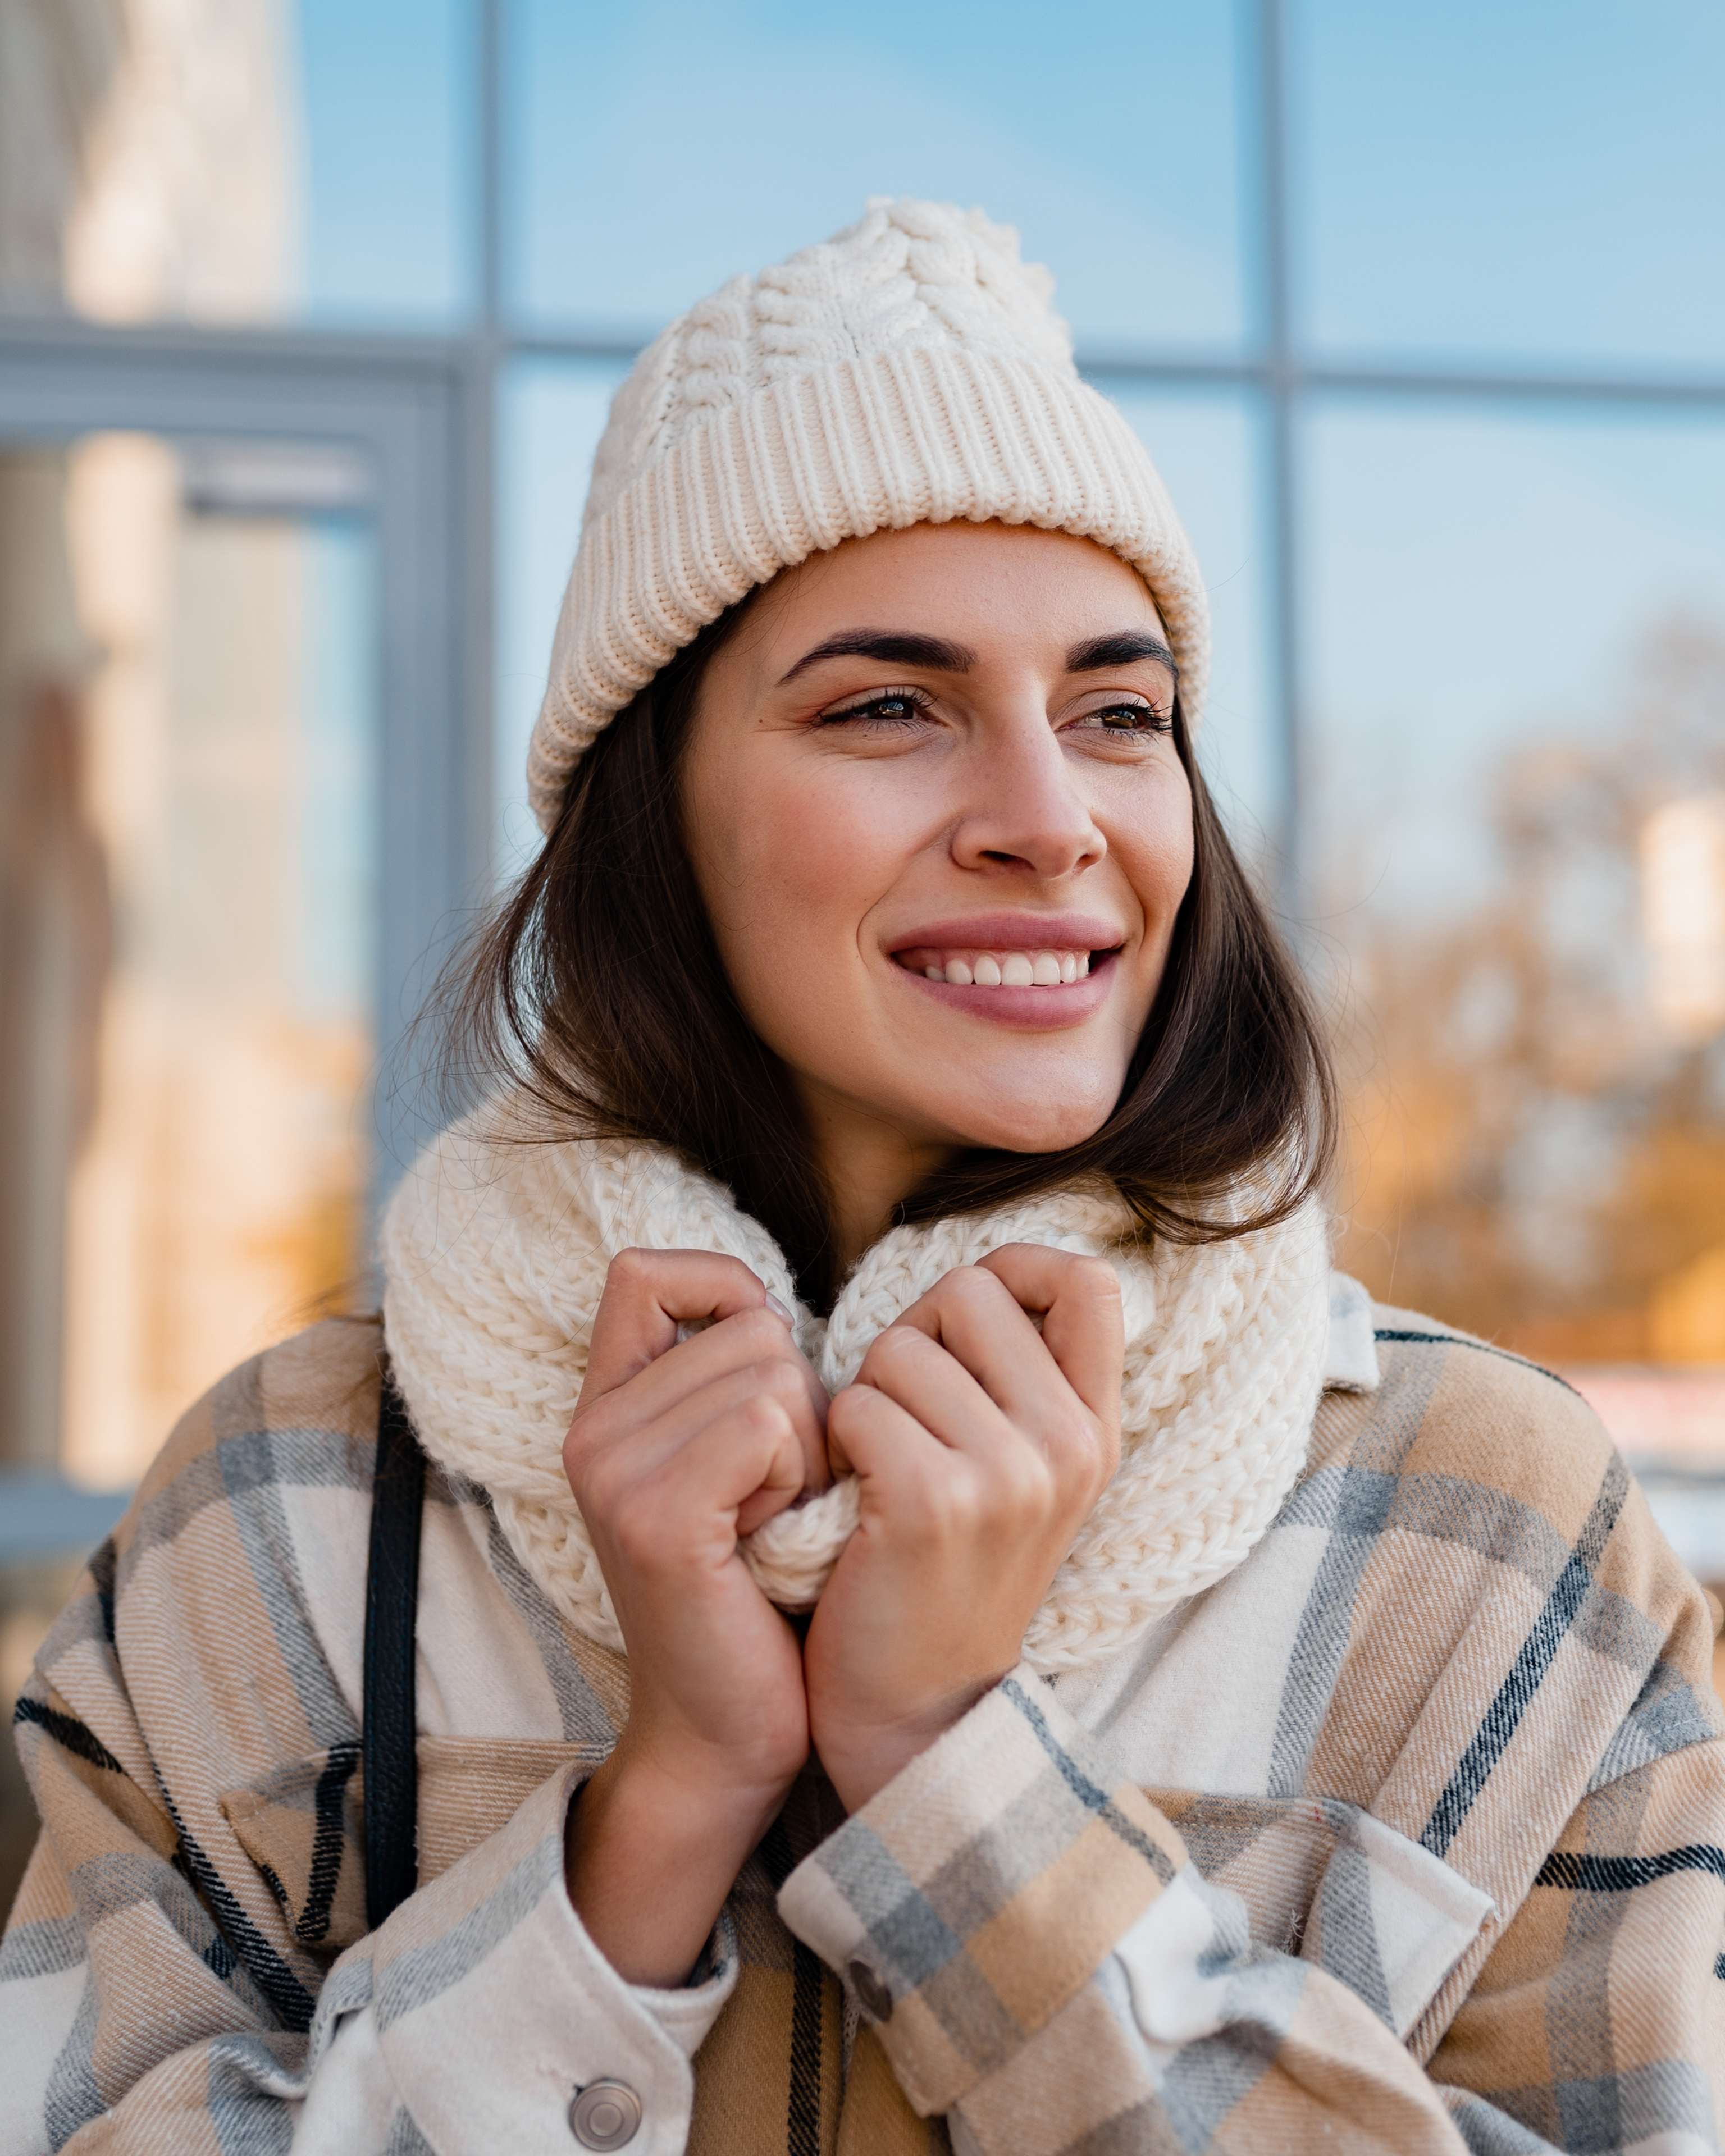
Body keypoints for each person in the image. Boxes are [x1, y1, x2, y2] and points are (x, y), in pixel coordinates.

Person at [3, 198, 1722, 2156]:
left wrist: (949, 1789)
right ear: (659, 814)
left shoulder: (1491, 1535)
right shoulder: (287, 1511)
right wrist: (648, 1833)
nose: (1049, 819)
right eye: (889, 706)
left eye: (1119, 713)